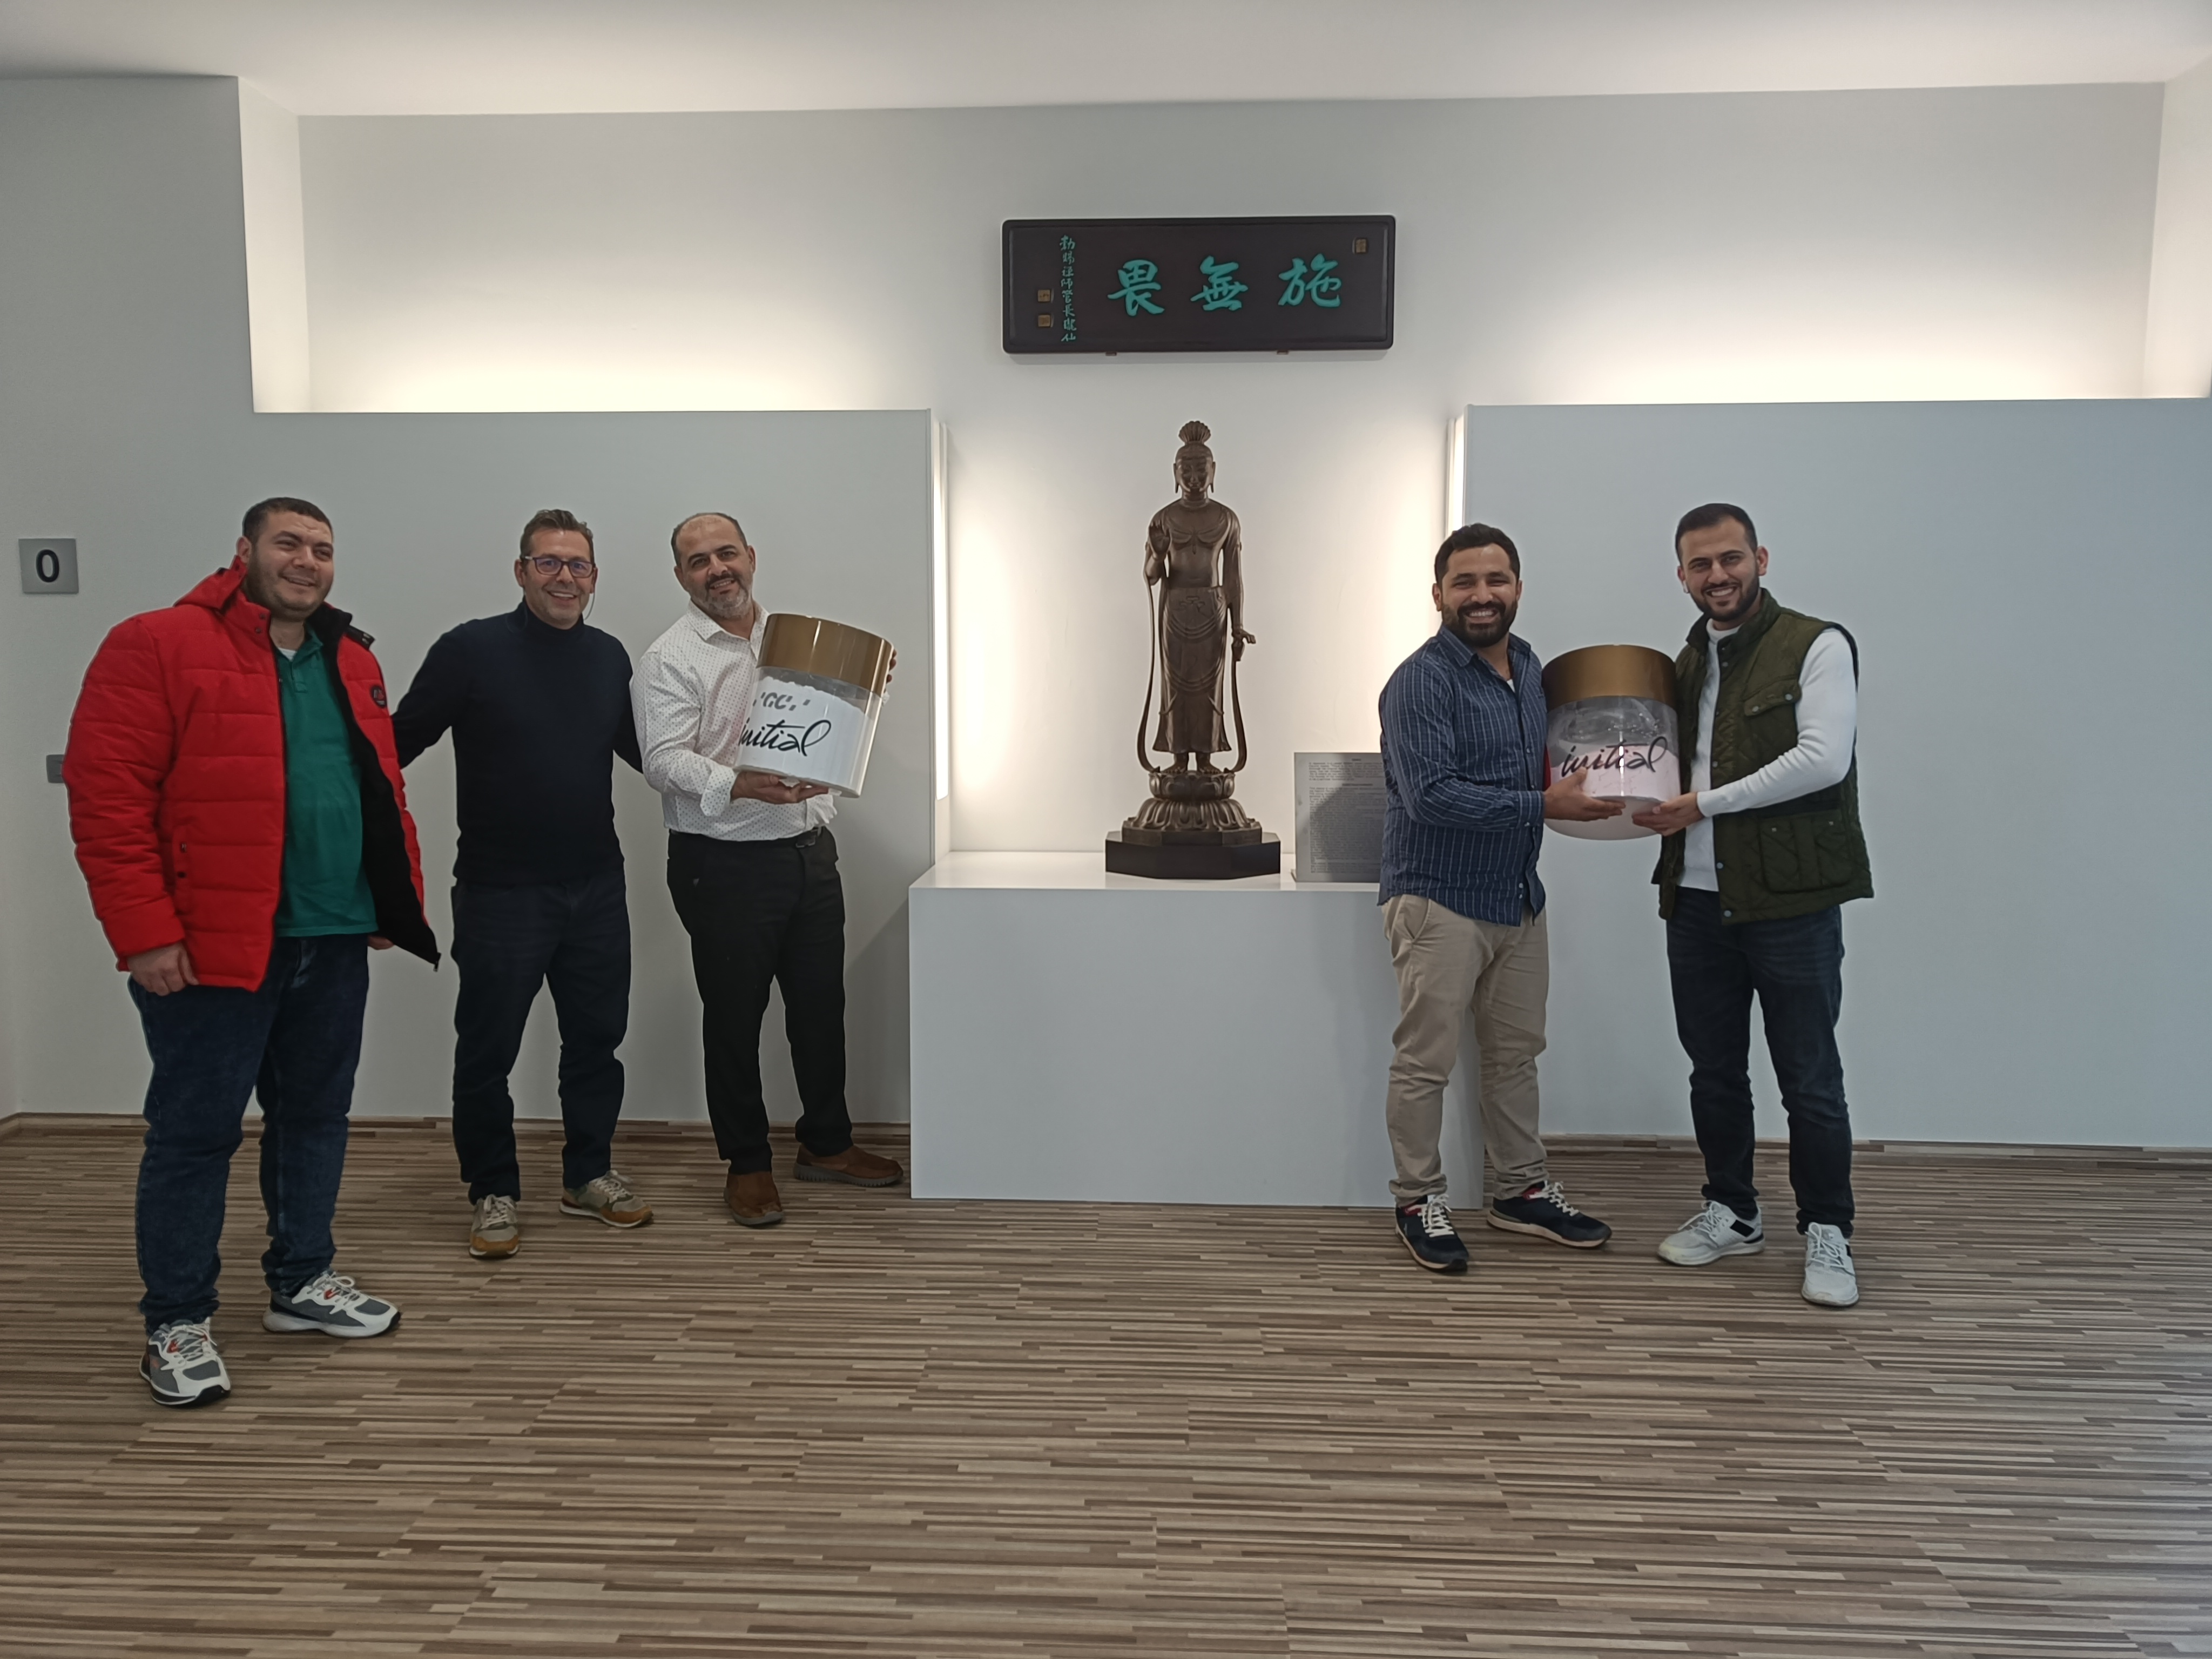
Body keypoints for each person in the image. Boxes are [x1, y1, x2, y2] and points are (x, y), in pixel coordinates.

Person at [65, 497, 439, 1408]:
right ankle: (177, 1320)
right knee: (196, 1135)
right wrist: (145, 933)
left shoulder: (352, 656)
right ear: (244, 551)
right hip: (210, 949)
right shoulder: (155, 643)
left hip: (333, 933)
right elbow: (107, 798)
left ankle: (301, 1280)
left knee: (316, 1117)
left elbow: (381, 787)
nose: (308, 560)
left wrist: (394, 899)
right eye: (289, 543)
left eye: (323, 548)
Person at [393, 508, 650, 1260]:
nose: (565, 577)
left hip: (596, 888)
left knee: (597, 1042)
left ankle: (588, 1175)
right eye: (549, 563)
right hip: (501, 894)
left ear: (595, 578)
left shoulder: (609, 657)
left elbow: (653, 755)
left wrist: (760, 756)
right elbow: (391, 747)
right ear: (521, 572)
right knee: (488, 1052)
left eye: (579, 565)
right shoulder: (469, 651)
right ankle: (493, 1190)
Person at [633, 511, 902, 1228]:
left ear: (751, 557)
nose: (716, 569)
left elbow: (830, 725)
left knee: (819, 1009)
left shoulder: (794, 640)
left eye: (726, 553)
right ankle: (747, 1164)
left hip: (809, 849)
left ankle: (827, 1143)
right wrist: (739, 783)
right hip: (723, 863)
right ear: (681, 576)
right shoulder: (670, 658)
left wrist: (864, 683)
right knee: (734, 1018)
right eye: (698, 561)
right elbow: (661, 761)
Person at [1633, 503, 1871, 1309]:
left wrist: (1703, 804)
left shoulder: (1817, 645)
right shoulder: (1684, 662)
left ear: (1761, 559)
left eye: (1730, 559)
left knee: (1810, 1080)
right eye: (1700, 565)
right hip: (1696, 899)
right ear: (1682, 576)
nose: (1718, 576)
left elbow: (1822, 759)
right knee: (1714, 1073)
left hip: (1791, 900)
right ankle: (1733, 1212)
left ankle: (1828, 1229)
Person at [1375, 523, 1621, 1274]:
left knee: (1516, 1057)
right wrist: (1545, 805)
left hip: (1517, 898)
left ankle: (1519, 1192)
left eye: (1496, 580)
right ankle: (1417, 1200)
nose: (1482, 595)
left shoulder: (1532, 667)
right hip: (1438, 898)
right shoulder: (1420, 681)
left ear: (1518, 588)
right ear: (1439, 594)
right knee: (1426, 1063)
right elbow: (1431, 797)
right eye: (1465, 582)